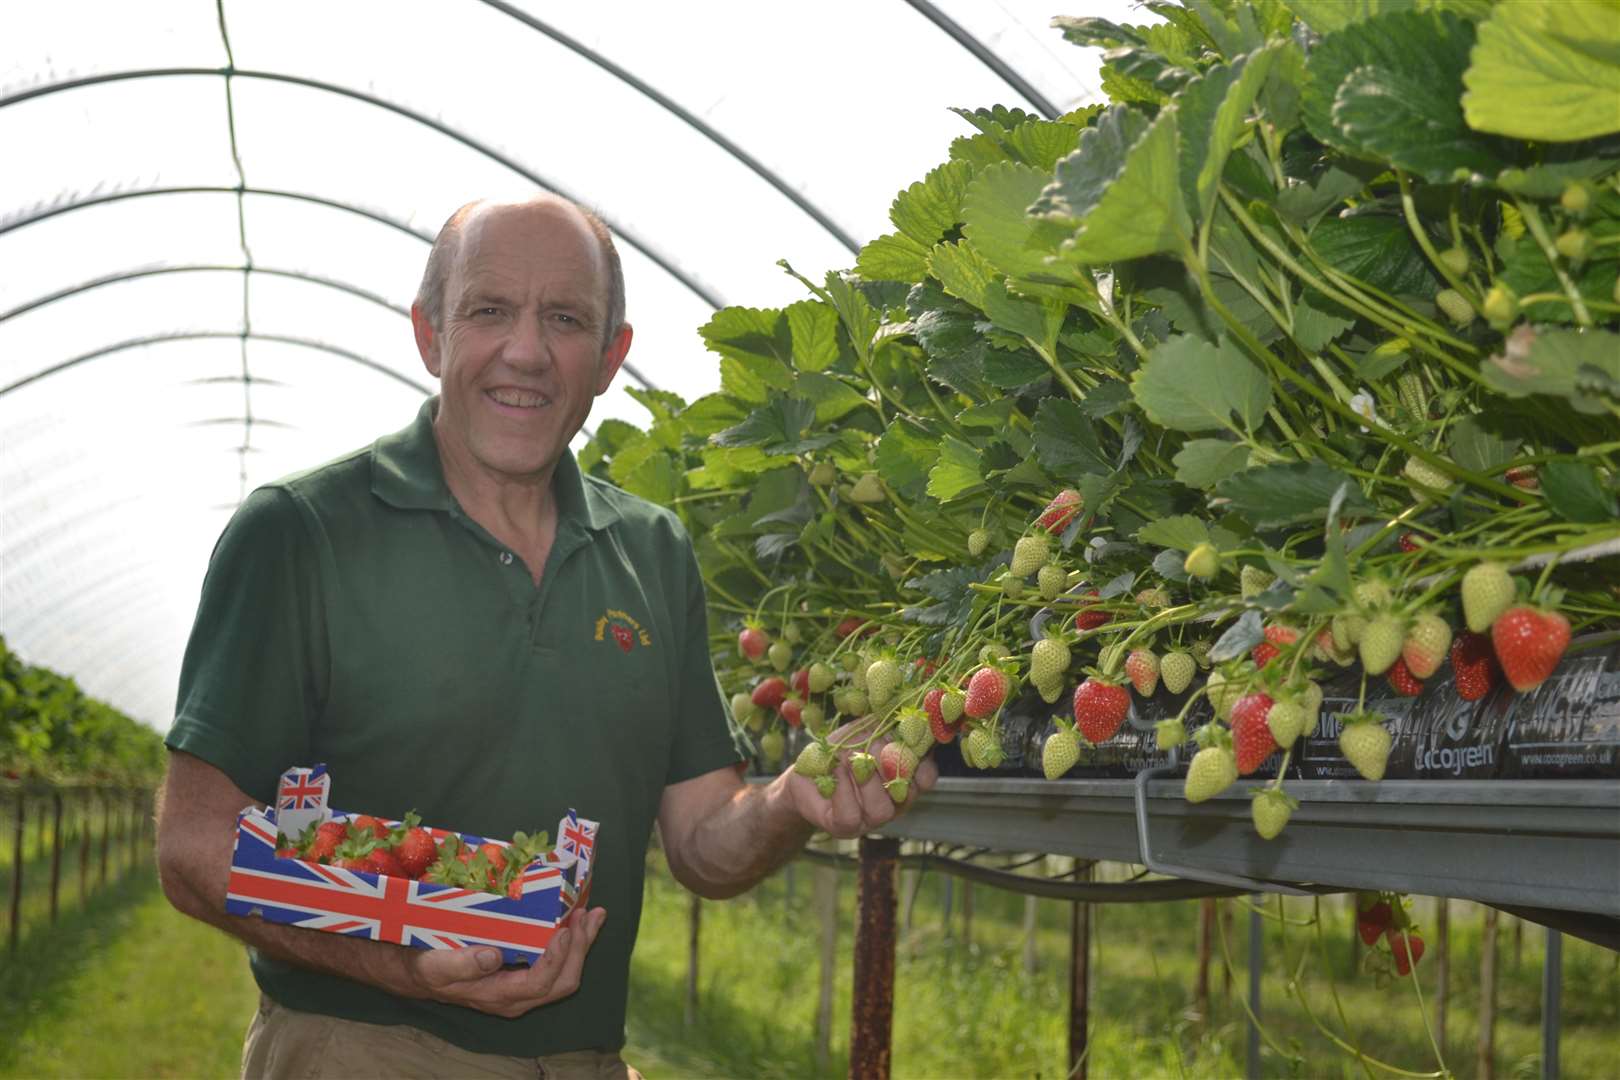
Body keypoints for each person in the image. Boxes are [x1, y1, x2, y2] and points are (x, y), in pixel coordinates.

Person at [154, 194, 937, 1079]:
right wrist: (402, 970)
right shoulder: (303, 533)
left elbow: (702, 841)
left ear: (610, 358)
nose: (525, 352)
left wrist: (793, 801)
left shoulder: (652, 551)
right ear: (429, 335)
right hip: (363, 1052)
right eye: (490, 310)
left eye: (565, 320)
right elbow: (192, 845)